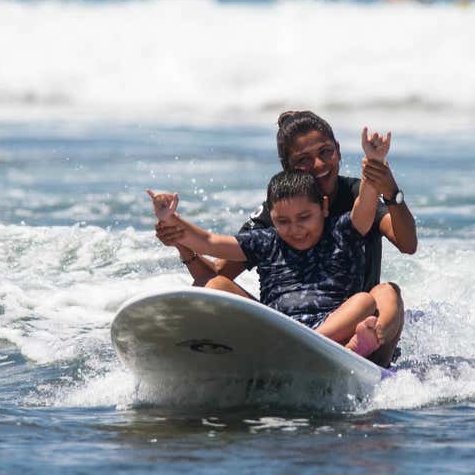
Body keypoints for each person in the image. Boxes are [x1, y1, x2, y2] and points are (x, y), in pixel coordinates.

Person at [157, 111, 418, 367]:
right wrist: (178, 235)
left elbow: (404, 241)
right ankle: (235, 354)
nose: (318, 164)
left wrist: (380, 176)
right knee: (213, 285)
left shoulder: (346, 217)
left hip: (349, 327)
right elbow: (213, 263)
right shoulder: (274, 221)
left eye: (325, 152)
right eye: (303, 159)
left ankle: (364, 352)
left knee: (382, 294)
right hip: (280, 329)